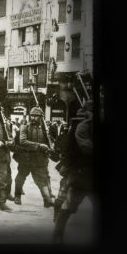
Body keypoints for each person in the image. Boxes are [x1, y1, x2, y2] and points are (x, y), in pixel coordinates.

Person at [53, 100, 94, 243]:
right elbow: (71, 147)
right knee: (67, 202)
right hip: (80, 173)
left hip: (81, 171)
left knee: (67, 202)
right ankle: (57, 235)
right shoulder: (81, 126)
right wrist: (65, 163)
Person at [14, 107, 55, 207]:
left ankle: (47, 200)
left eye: (36, 116)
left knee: (42, 179)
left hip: (40, 159)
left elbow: (49, 142)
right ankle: (17, 196)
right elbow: (23, 141)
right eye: (32, 115)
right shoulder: (24, 127)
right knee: (20, 178)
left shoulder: (45, 129)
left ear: (41, 117)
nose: (33, 118)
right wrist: (39, 145)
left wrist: (50, 148)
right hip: (26, 158)